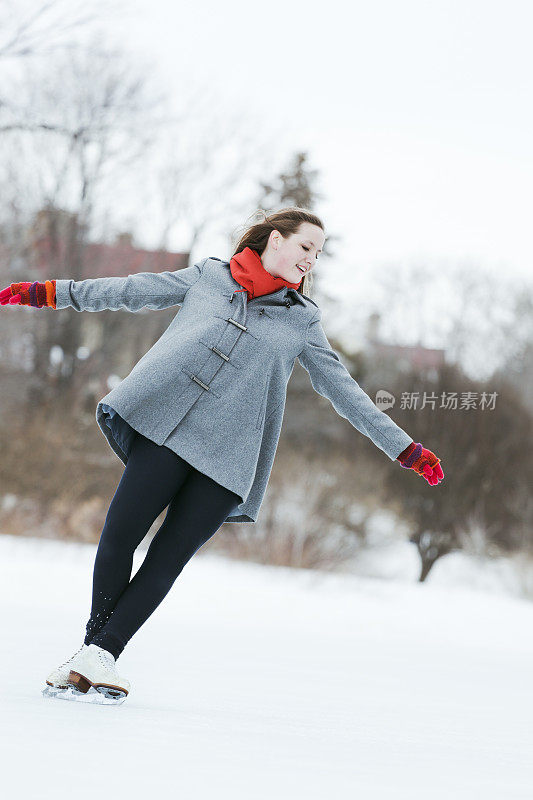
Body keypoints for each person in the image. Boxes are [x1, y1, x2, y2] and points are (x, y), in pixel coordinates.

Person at [0, 206, 444, 703]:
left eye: (317, 255)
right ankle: (96, 655)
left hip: (228, 461)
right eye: (305, 247)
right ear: (275, 240)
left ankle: (96, 654)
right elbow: (130, 290)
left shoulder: (303, 321)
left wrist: (405, 449)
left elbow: (345, 392)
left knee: (166, 558)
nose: (310, 261)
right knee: (118, 537)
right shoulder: (209, 278)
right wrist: (52, 293)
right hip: (167, 431)